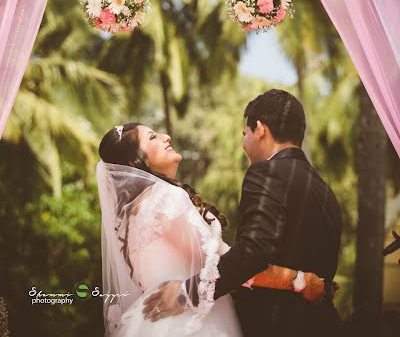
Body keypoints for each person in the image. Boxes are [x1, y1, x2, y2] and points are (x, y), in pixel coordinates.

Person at [97, 119, 328, 336]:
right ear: (134, 162)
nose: (166, 137)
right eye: (153, 137)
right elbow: (230, 265)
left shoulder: (129, 219)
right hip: (191, 323)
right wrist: (300, 281)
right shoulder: (166, 199)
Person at [144, 89, 343, 336]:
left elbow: (252, 254)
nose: (244, 143)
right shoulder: (325, 191)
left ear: (260, 129)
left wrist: (187, 293)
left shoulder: (266, 172)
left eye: (245, 133)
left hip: (277, 326)